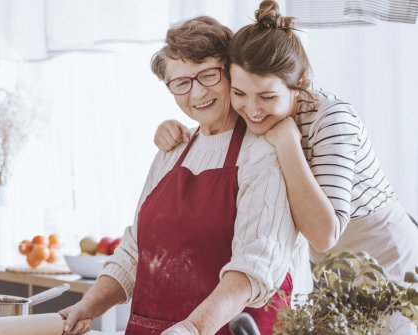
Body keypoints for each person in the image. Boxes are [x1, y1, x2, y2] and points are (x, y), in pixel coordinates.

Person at [154, 1, 418, 334]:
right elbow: (216, 124)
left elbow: (324, 234)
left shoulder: (333, 119)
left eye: (265, 96)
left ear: (301, 82)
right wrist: (171, 128)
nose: (251, 109)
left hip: (386, 258)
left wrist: (288, 143)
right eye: (239, 93)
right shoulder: (258, 112)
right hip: (332, 268)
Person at [59, 15, 307, 335]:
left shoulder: (263, 152)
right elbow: (135, 251)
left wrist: (191, 328)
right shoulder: (172, 150)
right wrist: (87, 306)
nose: (196, 92)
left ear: (232, 72)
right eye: (182, 82)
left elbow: (254, 268)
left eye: (208, 74)